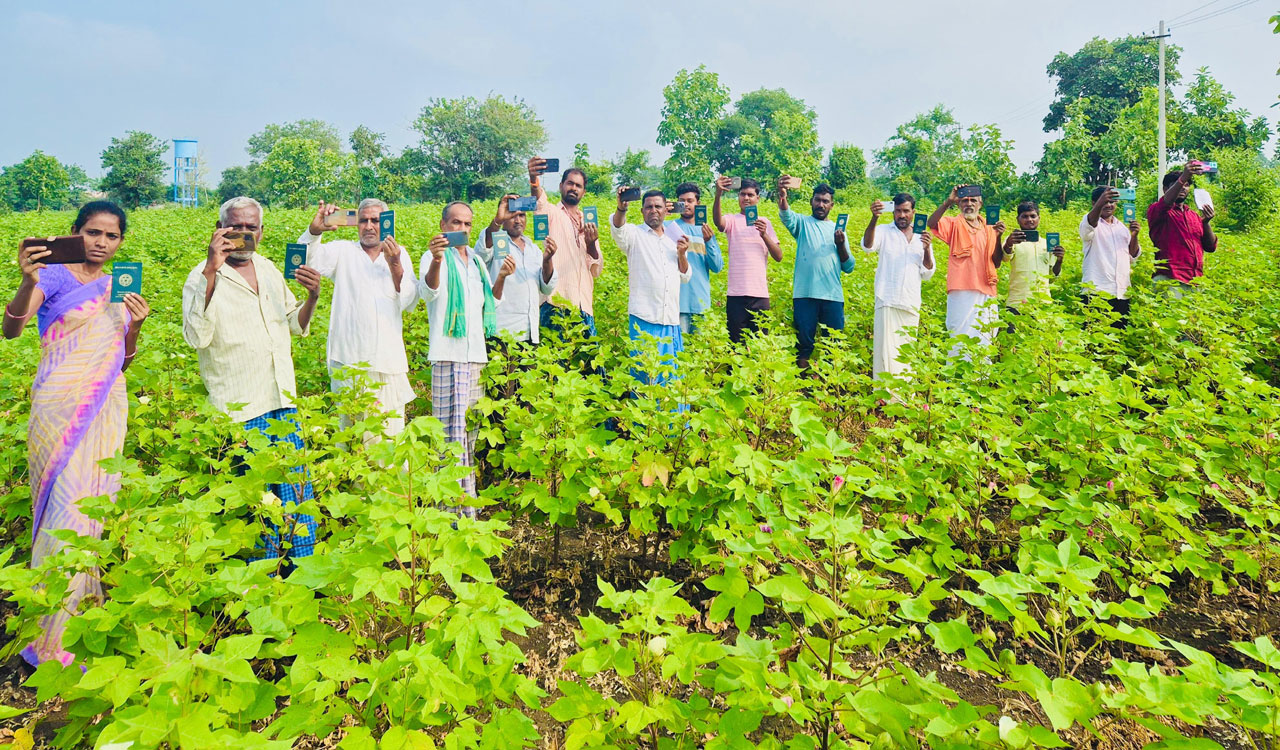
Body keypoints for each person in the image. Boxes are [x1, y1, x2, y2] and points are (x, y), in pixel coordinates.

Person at [4, 201, 150, 668]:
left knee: (90, 504)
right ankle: (52, 630)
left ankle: (83, 616)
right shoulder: (53, 277)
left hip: (104, 406)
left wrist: (137, 326)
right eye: (92, 232)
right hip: (57, 406)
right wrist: (28, 279)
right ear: (75, 233)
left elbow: (124, 360)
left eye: (111, 236)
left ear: (121, 242)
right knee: (60, 503)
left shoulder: (119, 285)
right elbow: (11, 329)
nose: (101, 242)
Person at [182, 196, 322, 566]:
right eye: (235, 227)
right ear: (219, 230)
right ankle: (260, 582)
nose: (243, 234)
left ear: (262, 231)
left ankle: (300, 575)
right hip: (239, 406)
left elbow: (293, 322)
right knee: (255, 502)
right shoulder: (200, 276)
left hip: (282, 398)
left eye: (250, 227)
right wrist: (212, 269)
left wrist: (313, 296)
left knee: (295, 492)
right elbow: (196, 336)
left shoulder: (270, 269)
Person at [418, 202, 516, 518]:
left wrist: (500, 275)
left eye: (467, 224)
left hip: (475, 358)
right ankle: (450, 511)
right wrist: (435, 260)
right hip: (449, 356)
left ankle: (464, 507)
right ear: (444, 225)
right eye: (456, 223)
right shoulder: (435, 258)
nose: (462, 229)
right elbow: (429, 292)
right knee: (450, 438)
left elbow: (490, 302)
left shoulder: (474, 261)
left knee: (468, 437)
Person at [297, 198, 418, 439]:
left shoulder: (399, 253)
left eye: (376, 220)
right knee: (352, 439)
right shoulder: (343, 250)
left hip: (387, 362)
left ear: (386, 223)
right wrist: (314, 231)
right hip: (348, 359)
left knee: (388, 437)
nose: (370, 226)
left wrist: (395, 264)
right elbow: (305, 261)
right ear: (356, 224)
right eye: (363, 221)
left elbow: (408, 301)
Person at [611, 187, 692, 386]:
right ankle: (642, 418)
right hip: (644, 319)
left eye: (658, 206)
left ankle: (674, 417)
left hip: (670, 318)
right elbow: (618, 229)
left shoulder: (674, 236)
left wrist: (682, 254)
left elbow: (686, 276)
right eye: (648, 207)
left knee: (671, 378)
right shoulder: (634, 234)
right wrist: (621, 208)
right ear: (642, 211)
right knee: (644, 376)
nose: (653, 210)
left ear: (666, 210)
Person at [777, 178, 855, 369]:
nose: (821, 204)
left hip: (832, 296)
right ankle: (802, 389)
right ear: (811, 201)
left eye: (825, 201)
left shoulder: (838, 230)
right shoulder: (802, 224)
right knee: (804, 345)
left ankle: (827, 389)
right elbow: (787, 216)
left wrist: (840, 244)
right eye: (817, 200)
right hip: (805, 294)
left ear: (832, 205)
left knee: (833, 345)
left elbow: (849, 266)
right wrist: (783, 196)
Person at [861, 194, 935, 379]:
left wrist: (926, 248)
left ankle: (904, 400)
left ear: (913, 212)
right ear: (893, 212)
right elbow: (868, 246)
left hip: (910, 303)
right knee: (884, 354)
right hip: (887, 299)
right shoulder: (884, 231)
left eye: (906, 211)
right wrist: (874, 217)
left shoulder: (921, 236)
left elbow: (927, 272)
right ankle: (883, 401)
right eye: (898, 211)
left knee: (906, 355)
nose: (901, 215)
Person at [927, 185, 1005, 357]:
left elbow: (997, 262)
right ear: (959, 204)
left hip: (987, 289)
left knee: (987, 334)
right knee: (958, 335)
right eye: (964, 201)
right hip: (961, 289)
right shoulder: (953, 223)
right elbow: (931, 223)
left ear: (980, 203)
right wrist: (948, 201)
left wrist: (999, 237)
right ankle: (956, 379)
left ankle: (979, 380)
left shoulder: (990, 226)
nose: (969, 204)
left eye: (973, 200)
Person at [527, 158, 602, 334]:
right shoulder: (552, 213)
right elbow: (539, 201)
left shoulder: (589, 222)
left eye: (578, 186)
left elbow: (596, 271)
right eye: (570, 183)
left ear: (583, 192)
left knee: (589, 361)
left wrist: (591, 245)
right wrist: (533, 179)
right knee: (555, 360)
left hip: (584, 308)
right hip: (555, 304)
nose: (573, 188)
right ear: (561, 186)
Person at [476, 194, 557, 344]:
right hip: (501, 333)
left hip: (529, 331)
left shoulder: (534, 249)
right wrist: (497, 221)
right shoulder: (496, 241)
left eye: (522, 215)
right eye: (512, 215)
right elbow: (481, 253)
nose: (518, 220)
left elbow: (547, 288)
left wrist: (547, 260)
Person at [713, 176, 782, 343]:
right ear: (738, 197)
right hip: (736, 293)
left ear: (758, 198)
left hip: (759, 294)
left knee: (760, 344)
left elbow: (778, 256)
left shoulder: (764, 222)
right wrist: (718, 195)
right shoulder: (732, 220)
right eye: (742, 194)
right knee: (736, 343)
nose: (746, 198)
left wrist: (764, 234)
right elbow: (719, 223)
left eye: (751, 195)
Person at [1148, 161, 1218, 297]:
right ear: (1165, 189)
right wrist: (1184, 176)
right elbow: (1166, 202)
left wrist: (1206, 223)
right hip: (1169, 280)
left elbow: (1210, 247)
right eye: (1178, 185)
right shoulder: (1158, 210)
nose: (1183, 188)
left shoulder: (1193, 216)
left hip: (1195, 280)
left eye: (1187, 185)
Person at [662, 182, 721, 334]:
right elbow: (647, 236)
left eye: (690, 201)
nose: (686, 204)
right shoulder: (668, 226)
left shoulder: (706, 231)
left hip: (700, 302)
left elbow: (717, 267)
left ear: (698, 203)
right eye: (682, 201)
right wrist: (662, 215)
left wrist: (709, 242)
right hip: (676, 302)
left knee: (700, 353)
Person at [1080, 186, 1142, 327]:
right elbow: (1089, 226)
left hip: (1121, 293)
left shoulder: (1122, 228)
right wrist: (1102, 200)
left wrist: (1134, 236)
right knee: (1094, 340)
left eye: (1112, 201)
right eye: (1104, 201)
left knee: (1118, 340)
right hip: (1097, 291)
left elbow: (1132, 256)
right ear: (1094, 203)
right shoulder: (1090, 223)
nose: (1108, 205)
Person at [1001, 200, 1063, 325]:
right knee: (1014, 342)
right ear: (1018, 219)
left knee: (1041, 342)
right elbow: (1004, 258)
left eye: (1033, 216)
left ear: (1039, 218)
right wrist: (1009, 243)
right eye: (1025, 216)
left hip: (1042, 304)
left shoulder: (1047, 244)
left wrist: (1060, 260)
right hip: (1017, 303)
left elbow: (1051, 277)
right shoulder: (1012, 240)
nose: (1029, 219)